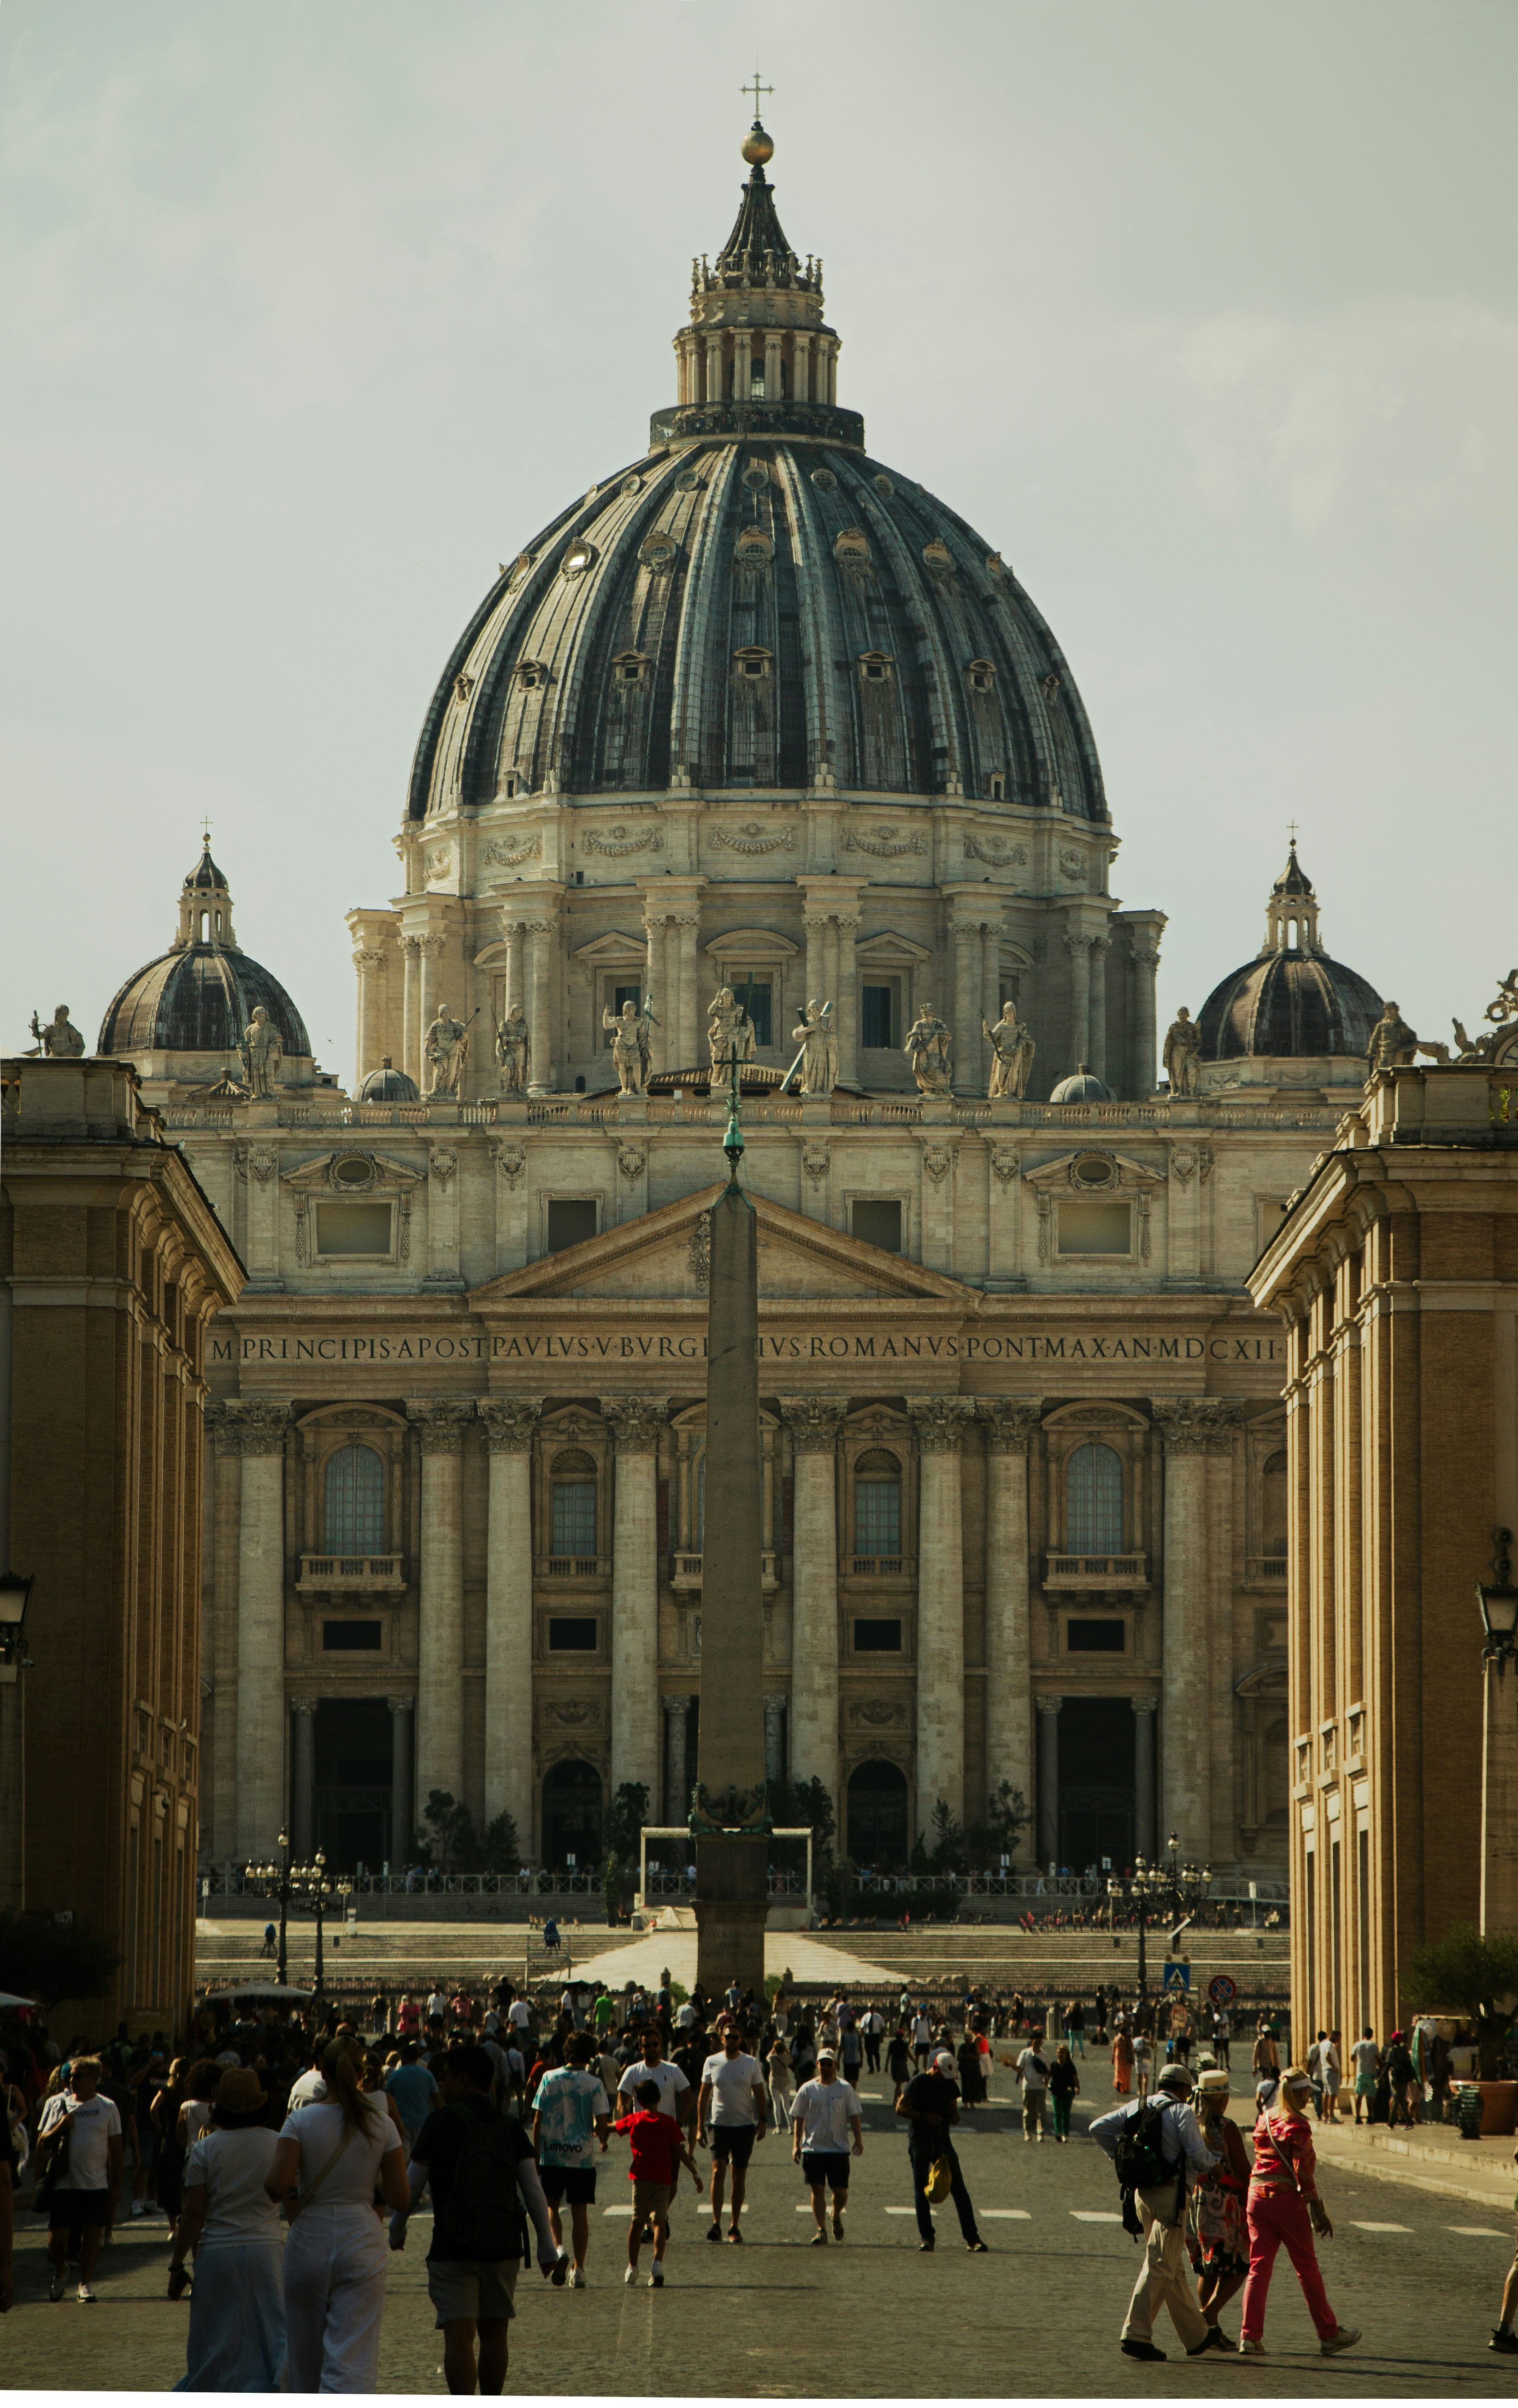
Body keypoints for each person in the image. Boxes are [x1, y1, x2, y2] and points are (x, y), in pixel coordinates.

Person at [392, 2042, 557, 2394]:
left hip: (452, 2243)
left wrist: (397, 2226)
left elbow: (413, 2182)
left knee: (459, 2334)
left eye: (447, 2076)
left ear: (463, 2079)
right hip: (503, 2242)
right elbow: (532, 2189)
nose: (442, 2083)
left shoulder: (440, 2122)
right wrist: (546, 2246)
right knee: (496, 2333)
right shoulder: (510, 2125)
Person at [264, 2036, 409, 2393]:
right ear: (363, 2072)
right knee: (353, 2353)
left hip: (310, 2236)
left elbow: (275, 2186)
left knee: (303, 2355)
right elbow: (400, 2197)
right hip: (361, 2235)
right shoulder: (382, 2125)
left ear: (323, 2072)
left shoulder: (301, 2122)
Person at [1090, 2064, 1223, 2363]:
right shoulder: (1181, 2112)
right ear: (1184, 2090)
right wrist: (1213, 2166)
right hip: (1170, 2196)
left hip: (1141, 2195)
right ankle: (1136, 2333)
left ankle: (1196, 2334)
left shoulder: (1138, 2106)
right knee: (1161, 2264)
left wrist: (1122, 2155)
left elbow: (1098, 2128)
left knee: (1172, 2266)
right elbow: (1196, 2153)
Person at [168, 2068, 286, 2392]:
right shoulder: (279, 2144)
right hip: (266, 2250)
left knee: (215, 2339)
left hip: (217, 2253)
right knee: (271, 2337)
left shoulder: (205, 2150)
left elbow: (193, 2214)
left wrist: (177, 2263)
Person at [1238, 2065, 1360, 2357]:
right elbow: (1302, 2172)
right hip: (1285, 2201)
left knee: (1259, 2268)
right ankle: (1329, 2332)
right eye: (1307, 2092)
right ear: (1299, 2093)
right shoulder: (1297, 2125)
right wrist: (1318, 2210)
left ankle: (1249, 2336)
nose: (1309, 2098)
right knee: (1307, 2268)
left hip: (1256, 2197)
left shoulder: (1265, 2119)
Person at [38, 2056, 123, 2303]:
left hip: (95, 2184)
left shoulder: (108, 2107)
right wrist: (61, 2127)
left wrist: (116, 2185)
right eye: (71, 2075)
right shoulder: (57, 2104)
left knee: (92, 2233)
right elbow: (43, 2141)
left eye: (78, 2075)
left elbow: (116, 2149)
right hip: (64, 2183)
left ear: (93, 2079)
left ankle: (85, 2283)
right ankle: (61, 2269)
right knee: (57, 2239)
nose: (72, 2080)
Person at [531, 2031, 610, 2288]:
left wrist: (536, 2154)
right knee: (580, 2214)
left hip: (551, 2154)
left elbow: (537, 2119)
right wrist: (603, 2137)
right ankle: (579, 2269)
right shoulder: (594, 2084)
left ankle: (559, 2250)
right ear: (590, 2054)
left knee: (551, 2206)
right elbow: (601, 2125)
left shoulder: (549, 2077)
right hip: (582, 2158)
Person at [895, 2049, 986, 2255]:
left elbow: (954, 2108)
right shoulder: (918, 2083)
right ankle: (927, 2238)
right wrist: (924, 2117)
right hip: (920, 2140)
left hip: (943, 2141)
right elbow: (900, 2109)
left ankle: (973, 2238)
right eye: (943, 2076)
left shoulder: (950, 2084)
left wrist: (955, 2116)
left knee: (960, 2190)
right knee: (921, 2189)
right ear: (934, 2067)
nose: (946, 2081)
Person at [614, 2077, 699, 2289]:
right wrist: (694, 2173)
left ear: (639, 2101)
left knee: (637, 2222)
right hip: (664, 2178)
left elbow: (615, 2127)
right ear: (660, 2099)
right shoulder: (669, 2122)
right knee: (659, 2222)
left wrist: (601, 2129)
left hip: (641, 2177)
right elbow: (678, 2150)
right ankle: (657, 2265)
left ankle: (633, 2267)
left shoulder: (635, 2119)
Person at [1188, 2068, 1251, 2343]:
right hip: (1225, 2203)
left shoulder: (1189, 2124)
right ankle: (1209, 2315)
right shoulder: (1228, 2128)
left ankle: (1209, 2331)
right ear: (1223, 2098)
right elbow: (1244, 2169)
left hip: (1197, 2198)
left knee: (1208, 2266)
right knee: (1240, 2264)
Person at [697, 2022, 769, 2244]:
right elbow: (704, 2095)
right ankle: (716, 2223)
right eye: (728, 2037)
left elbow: (759, 2093)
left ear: (741, 2040)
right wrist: (700, 2125)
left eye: (735, 2037)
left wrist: (763, 2121)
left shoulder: (750, 2063)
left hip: (744, 2126)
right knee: (718, 2171)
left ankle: (734, 2225)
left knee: (739, 2176)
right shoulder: (712, 2062)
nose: (731, 2040)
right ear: (722, 2038)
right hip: (719, 2125)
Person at [789, 2046, 863, 2244]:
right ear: (818, 2065)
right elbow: (799, 2117)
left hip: (839, 2149)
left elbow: (855, 2115)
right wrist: (796, 2144)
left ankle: (836, 2215)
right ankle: (821, 2230)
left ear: (835, 2066)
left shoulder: (845, 2089)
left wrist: (859, 2139)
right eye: (823, 2064)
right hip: (813, 2148)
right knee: (817, 2190)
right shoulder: (808, 2089)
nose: (826, 2068)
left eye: (830, 2064)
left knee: (840, 2193)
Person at [384, 2042, 441, 2159]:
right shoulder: (427, 2075)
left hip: (402, 2123)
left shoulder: (395, 2076)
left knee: (405, 2159)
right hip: (423, 2123)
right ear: (417, 2058)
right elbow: (437, 2101)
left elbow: (387, 2099)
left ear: (402, 2058)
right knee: (420, 2158)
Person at [1015, 2038, 1051, 2141]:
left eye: (1040, 2042)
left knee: (1042, 2111)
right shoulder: (1025, 2053)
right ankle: (1028, 2132)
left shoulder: (1045, 2056)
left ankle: (1040, 2133)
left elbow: (1049, 2071)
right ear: (1032, 2041)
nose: (1038, 2044)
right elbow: (1020, 2068)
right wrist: (1011, 2066)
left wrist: (1046, 2079)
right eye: (1036, 2042)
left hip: (1041, 2087)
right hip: (1028, 2086)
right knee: (1028, 2111)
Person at [1049, 2043, 1080, 2143]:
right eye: (1058, 2053)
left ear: (1066, 2054)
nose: (1059, 2054)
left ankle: (1065, 2134)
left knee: (1066, 2114)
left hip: (1068, 2093)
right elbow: (1048, 2077)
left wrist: (1077, 2087)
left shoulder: (1070, 2066)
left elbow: (1075, 2078)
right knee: (1058, 2113)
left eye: (1061, 2053)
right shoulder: (1054, 2065)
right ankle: (1058, 2132)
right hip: (1056, 2093)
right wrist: (1046, 2083)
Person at [1351, 2028, 1379, 2125]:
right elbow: (1378, 2059)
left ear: (1364, 2035)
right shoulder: (1374, 2046)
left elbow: (1352, 2058)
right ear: (1372, 2035)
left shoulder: (1358, 2045)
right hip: (1371, 2073)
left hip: (1361, 2074)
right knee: (1371, 2097)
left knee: (1359, 2096)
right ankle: (1370, 2116)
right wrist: (1382, 2070)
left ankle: (1358, 2117)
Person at [886, 2025, 912, 2107]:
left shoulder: (892, 2044)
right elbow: (909, 2054)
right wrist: (915, 2062)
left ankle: (898, 2099)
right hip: (902, 2063)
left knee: (898, 2083)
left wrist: (886, 2065)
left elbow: (889, 2055)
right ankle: (900, 2100)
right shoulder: (904, 2044)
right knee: (900, 2083)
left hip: (894, 2063)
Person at [1112, 2021, 1135, 2097]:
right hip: (1126, 2056)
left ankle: (1118, 2081)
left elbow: (1114, 2048)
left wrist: (1112, 2058)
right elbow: (1132, 2048)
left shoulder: (1116, 2038)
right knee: (1126, 2072)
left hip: (1118, 2055)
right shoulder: (1128, 2039)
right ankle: (1125, 2087)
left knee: (1118, 2070)